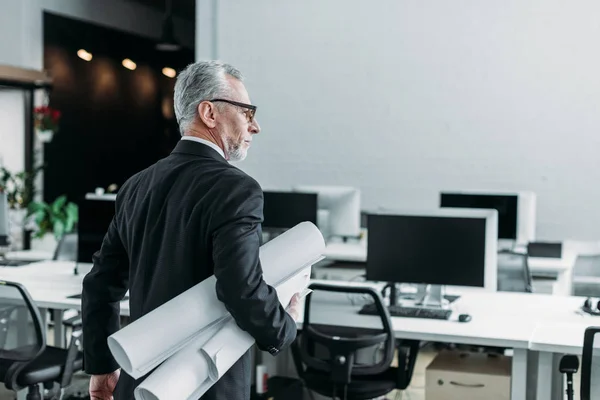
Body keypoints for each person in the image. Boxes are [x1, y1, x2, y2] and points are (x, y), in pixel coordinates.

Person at [81, 60, 301, 400]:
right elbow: (240, 288)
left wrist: (101, 366)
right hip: (208, 385)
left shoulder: (136, 186)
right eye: (247, 112)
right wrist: (284, 326)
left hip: (140, 383)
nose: (254, 126)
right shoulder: (237, 189)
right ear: (209, 112)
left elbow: (100, 283)